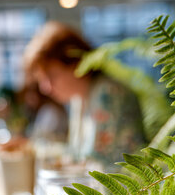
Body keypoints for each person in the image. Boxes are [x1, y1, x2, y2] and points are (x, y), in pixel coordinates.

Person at [23, 21, 146, 167]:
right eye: (42, 80)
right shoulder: (80, 98)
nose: (45, 88)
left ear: (74, 62)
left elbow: (95, 163)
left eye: (51, 76)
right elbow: (76, 156)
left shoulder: (109, 94)